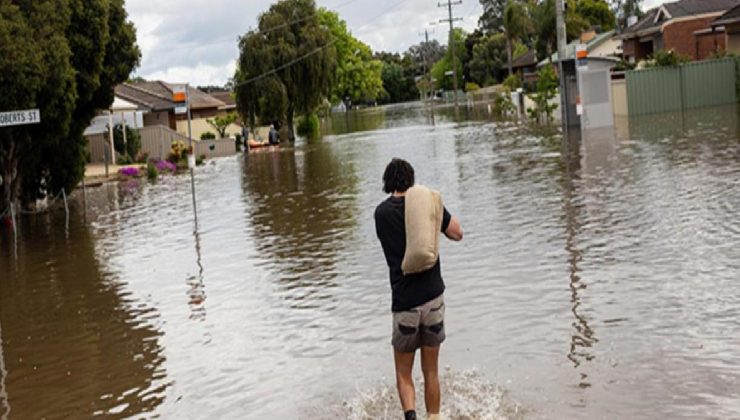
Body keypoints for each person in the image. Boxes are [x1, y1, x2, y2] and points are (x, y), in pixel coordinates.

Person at [374, 158, 463, 420]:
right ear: (411, 181)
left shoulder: (381, 213)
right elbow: (458, 233)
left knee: (404, 373)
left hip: (405, 306)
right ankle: (434, 417)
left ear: (388, 183)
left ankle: (411, 417)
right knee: (431, 372)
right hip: (433, 300)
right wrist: (437, 217)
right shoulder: (428, 206)